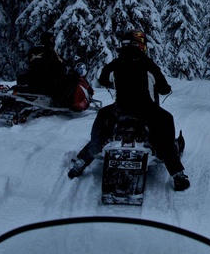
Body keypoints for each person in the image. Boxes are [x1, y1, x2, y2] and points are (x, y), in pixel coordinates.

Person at [68, 30, 189, 191]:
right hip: (146, 110)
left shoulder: (115, 64)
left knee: (102, 121)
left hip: (120, 109)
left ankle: (82, 160)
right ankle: (177, 174)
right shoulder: (148, 64)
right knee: (166, 124)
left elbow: (103, 79)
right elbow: (163, 87)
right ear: (140, 45)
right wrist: (164, 88)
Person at [18, 31, 67, 98]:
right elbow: (58, 63)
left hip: (34, 77)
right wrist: (63, 69)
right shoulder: (50, 50)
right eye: (51, 39)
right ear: (47, 39)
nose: (53, 41)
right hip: (47, 79)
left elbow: (30, 63)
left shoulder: (34, 50)